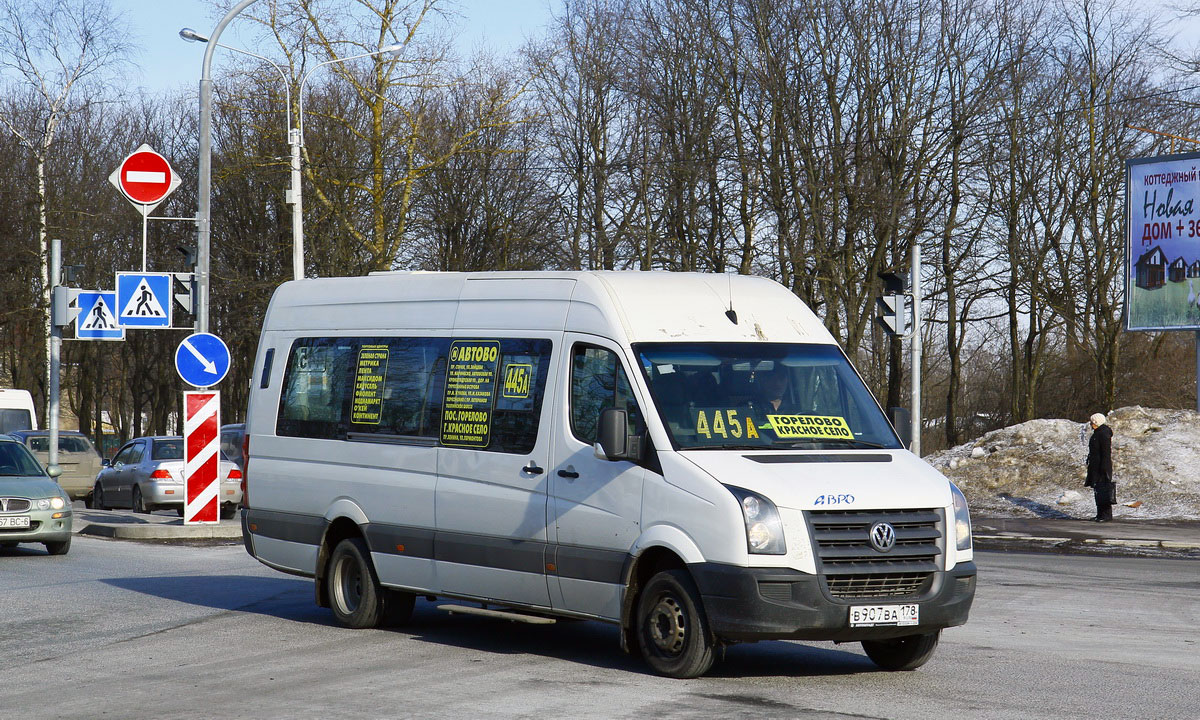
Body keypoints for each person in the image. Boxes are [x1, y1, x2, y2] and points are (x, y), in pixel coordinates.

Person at [1084, 412, 1115, 522]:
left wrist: (1104, 468)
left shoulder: (1103, 434)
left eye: (1092, 422)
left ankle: (1106, 515)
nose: (1091, 424)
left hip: (1101, 467)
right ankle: (1100, 514)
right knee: (1098, 491)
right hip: (1096, 466)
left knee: (1103, 491)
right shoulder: (1098, 433)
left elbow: (1106, 452)